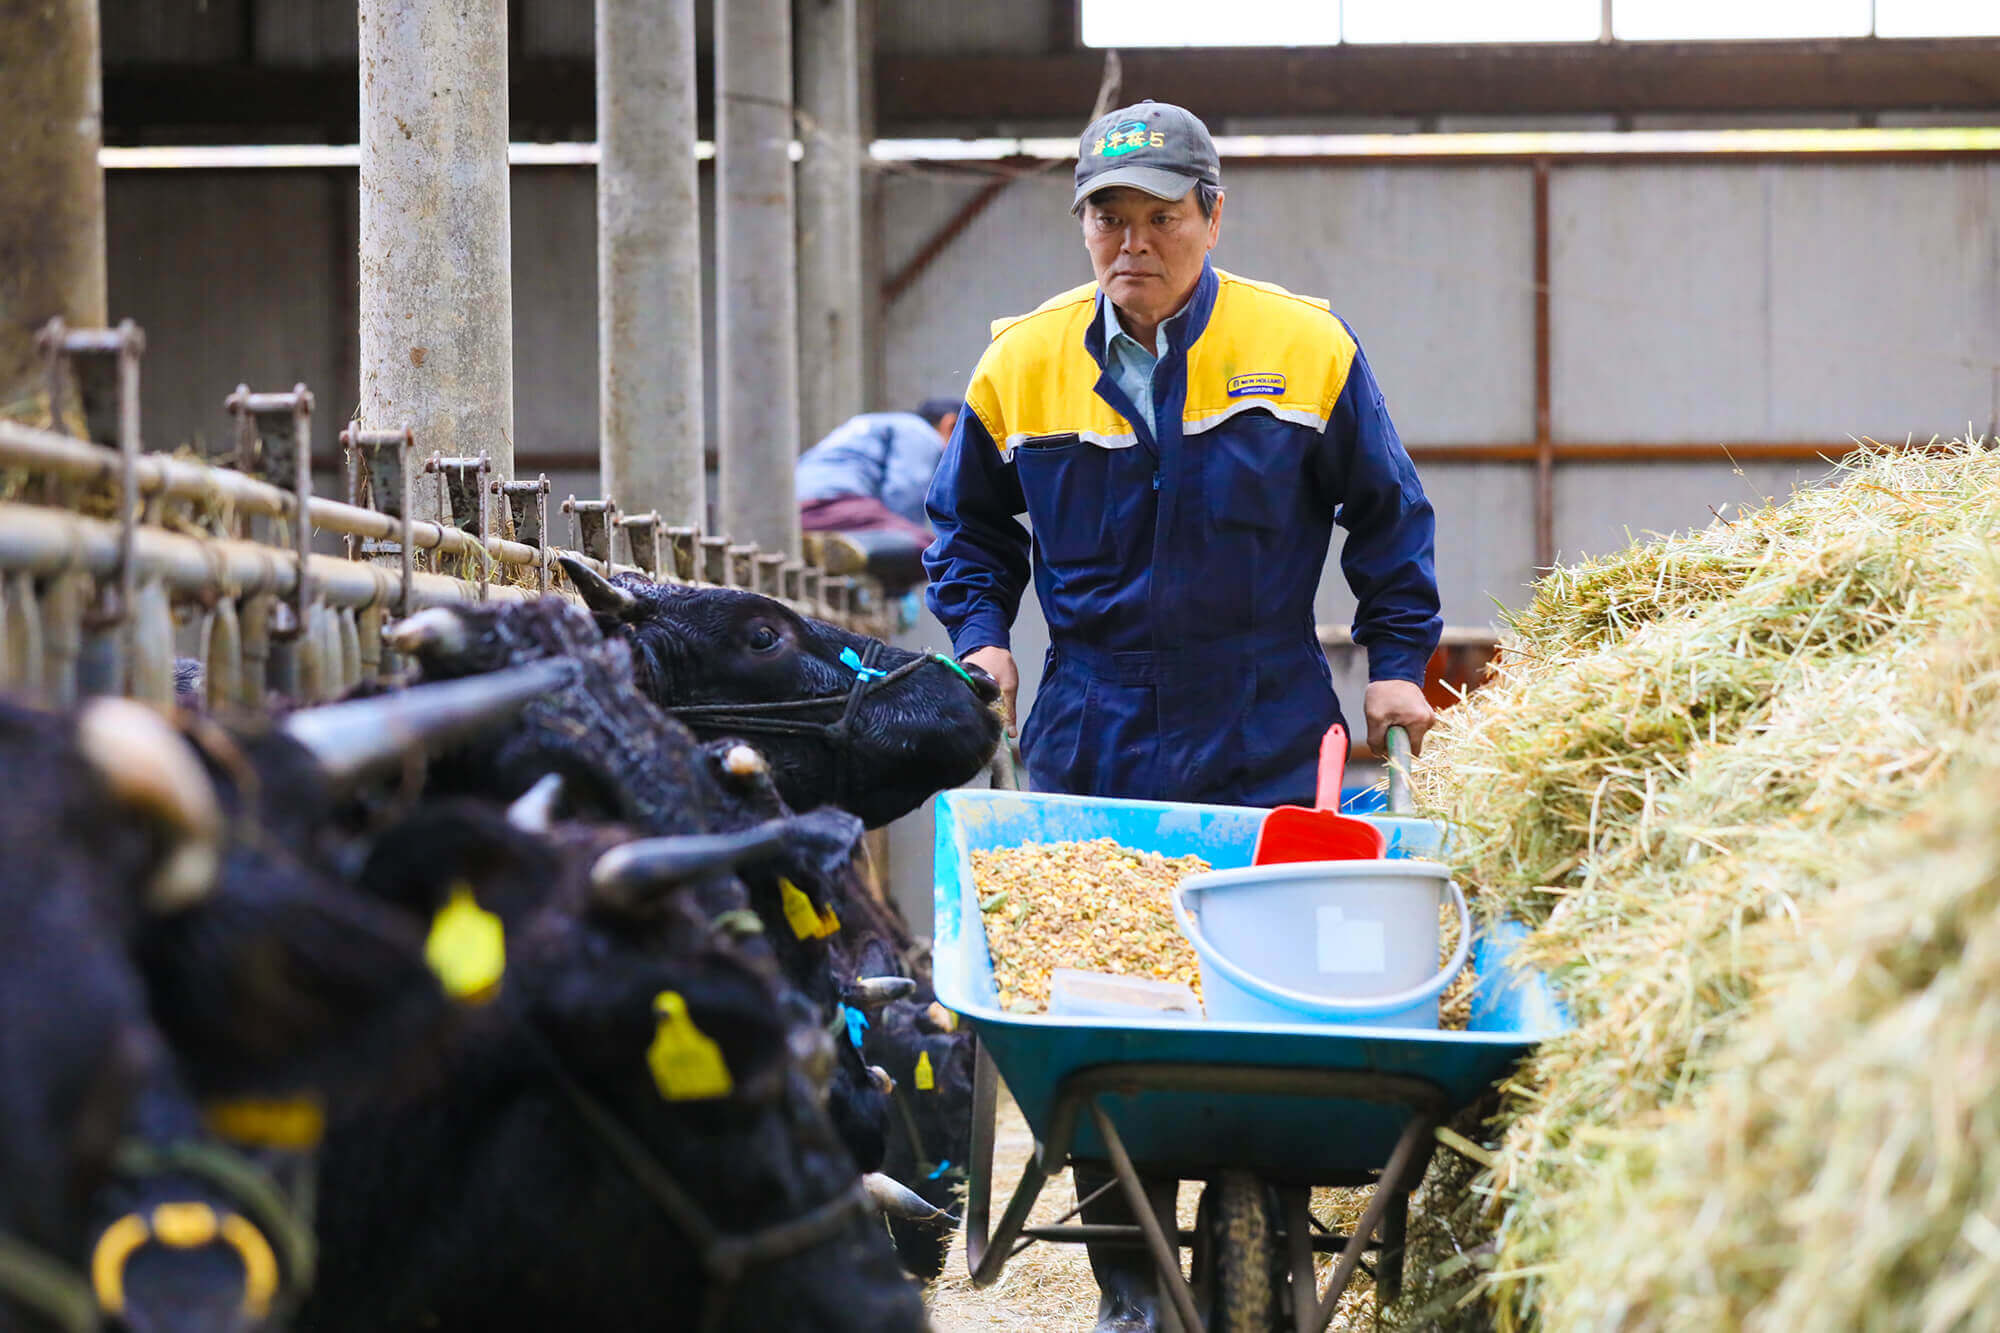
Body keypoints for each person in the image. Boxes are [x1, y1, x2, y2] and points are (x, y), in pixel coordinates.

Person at [921, 100, 1441, 1332]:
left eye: (1161, 215)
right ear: (1082, 229)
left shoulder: (1303, 349)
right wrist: (983, 639)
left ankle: (1271, 1220)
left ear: (1214, 213)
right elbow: (969, 528)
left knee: (1269, 1000)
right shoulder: (1021, 362)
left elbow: (1386, 515)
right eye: (1109, 217)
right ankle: (1134, 1296)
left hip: (1262, 705)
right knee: (1102, 1012)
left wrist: (1397, 659)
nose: (1133, 242)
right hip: (1089, 713)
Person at [797, 399, 961, 547]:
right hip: (837, 504)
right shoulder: (922, 432)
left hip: (798, 512)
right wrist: (906, 537)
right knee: (928, 547)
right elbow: (904, 492)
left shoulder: (873, 423)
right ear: (950, 424)